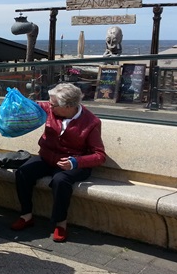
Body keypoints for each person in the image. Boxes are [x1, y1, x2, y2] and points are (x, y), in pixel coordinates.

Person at [10, 83, 106, 242]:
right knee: (23, 172)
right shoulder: (50, 108)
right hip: (47, 157)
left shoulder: (91, 122)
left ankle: (60, 223)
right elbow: (31, 106)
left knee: (60, 181)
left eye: (53, 104)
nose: (49, 106)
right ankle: (26, 215)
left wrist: (75, 162)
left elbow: (100, 155)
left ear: (68, 107)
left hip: (73, 162)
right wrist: (17, 100)